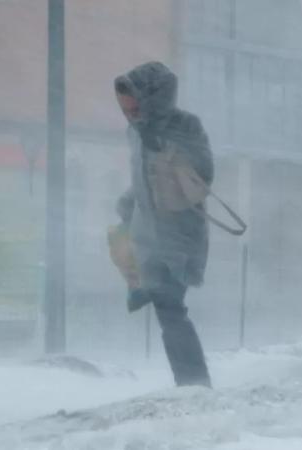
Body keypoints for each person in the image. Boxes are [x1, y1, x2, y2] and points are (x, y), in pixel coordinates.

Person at [114, 61, 213, 388]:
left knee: (171, 308)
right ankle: (191, 383)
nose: (128, 110)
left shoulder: (185, 125)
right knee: (166, 308)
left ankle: (194, 384)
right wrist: (128, 202)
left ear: (152, 97)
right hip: (149, 236)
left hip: (180, 237)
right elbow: (144, 181)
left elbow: (202, 176)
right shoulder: (136, 132)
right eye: (124, 104)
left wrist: (166, 144)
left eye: (133, 102)